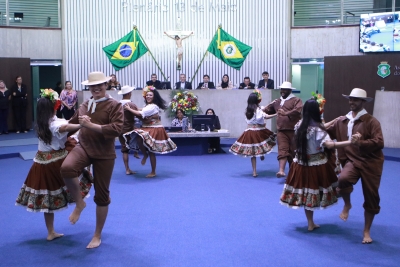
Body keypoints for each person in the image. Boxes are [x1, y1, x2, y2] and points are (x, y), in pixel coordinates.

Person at [15, 89, 91, 241]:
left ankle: (50, 232)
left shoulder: (41, 123)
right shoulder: (54, 125)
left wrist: (79, 116)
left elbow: (65, 123)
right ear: (54, 106)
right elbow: (65, 127)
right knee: (74, 176)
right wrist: (83, 125)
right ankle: (79, 203)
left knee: (47, 198)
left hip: (40, 163)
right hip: (55, 161)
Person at [60, 71, 124, 249]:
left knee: (102, 196)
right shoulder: (85, 105)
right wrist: (54, 127)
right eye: (92, 86)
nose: (96, 88)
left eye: (99, 85)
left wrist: (90, 125)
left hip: (104, 153)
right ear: (89, 87)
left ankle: (97, 235)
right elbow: (72, 123)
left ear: (106, 85)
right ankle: (80, 203)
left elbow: (116, 129)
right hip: (84, 147)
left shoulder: (115, 105)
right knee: (67, 168)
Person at [280, 99, 353, 231]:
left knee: (307, 193)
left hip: (301, 164)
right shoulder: (317, 130)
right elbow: (329, 144)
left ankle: (310, 223)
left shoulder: (300, 124)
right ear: (317, 111)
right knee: (325, 188)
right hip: (316, 165)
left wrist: (335, 120)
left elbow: (321, 127)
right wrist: (349, 142)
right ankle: (346, 205)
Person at [326, 88, 384, 244]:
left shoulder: (371, 121)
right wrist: (307, 123)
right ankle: (347, 204)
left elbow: (380, 142)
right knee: (343, 179)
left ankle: (366, 231)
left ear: (363, 102)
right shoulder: (341, 121)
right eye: (350, 99)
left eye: (356, 100)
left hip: (371, 163)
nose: (352, 102)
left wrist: (361, 143)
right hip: (352, 161)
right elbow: (325, 132)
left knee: (371, 197)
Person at [123, 86, 177, 178]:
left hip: (154, 128)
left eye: (150, 95)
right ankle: (145, 155)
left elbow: (140, 113)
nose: (148, 96)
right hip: (146, 127)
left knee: (151, 150)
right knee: (140, 139)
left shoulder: (153, 106)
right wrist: (135, 107)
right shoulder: (148, 106)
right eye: (147, 95)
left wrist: (129, 109)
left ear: (154, 97)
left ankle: (153, 171)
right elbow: (141, 110)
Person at [229, 90, 277, 177]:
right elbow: (264, 115)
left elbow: (262, 109)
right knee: (263, 144)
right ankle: (262, 154)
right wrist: (276, 114)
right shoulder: (258, 110)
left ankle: (254, 171)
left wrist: (270, 104)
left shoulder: (248, 109)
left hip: (249, 131)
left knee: (253, 152)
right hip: (259, 130)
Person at [263, 81, 303, 178]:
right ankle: (281, 171)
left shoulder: (296, 100)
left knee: (293, 152)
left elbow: (298, 111)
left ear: (290, 90)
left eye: (285, 90)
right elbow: (264, 111)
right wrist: (268, 105)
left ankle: (293, 174)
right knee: (282, 150)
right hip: (281, 131)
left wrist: (286, 113)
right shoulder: (277, 102)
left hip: (294, 131)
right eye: (281, 89)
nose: (282, 91)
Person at [118, 85, 139, 175]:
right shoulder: (131, 104)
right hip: (129, 128)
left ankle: (127, 168)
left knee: (124, 148)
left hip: (120, 128)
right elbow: (138, 113)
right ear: (129, 93)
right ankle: (136, 152)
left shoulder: (117, 104)